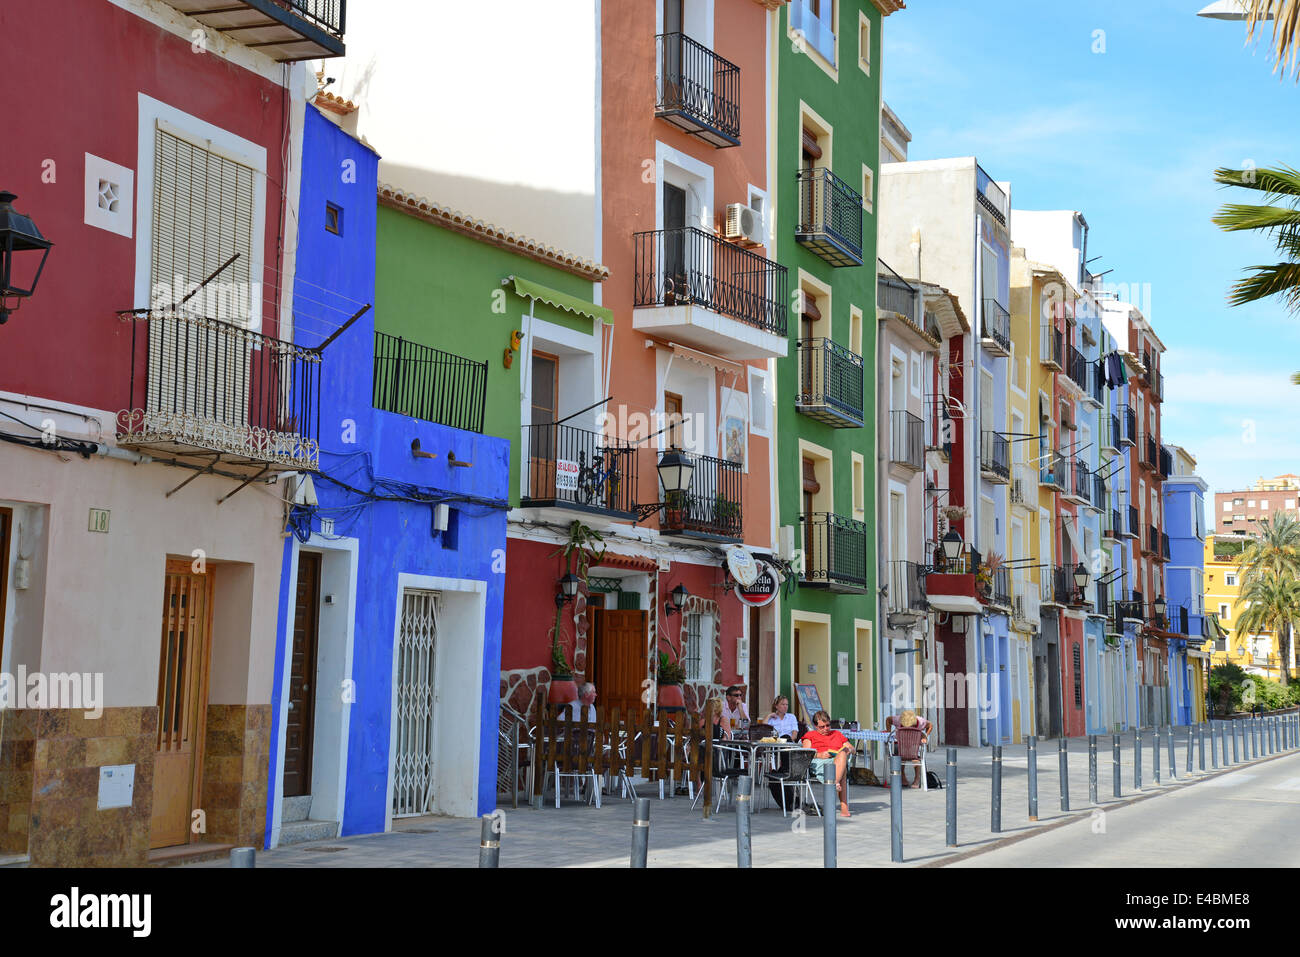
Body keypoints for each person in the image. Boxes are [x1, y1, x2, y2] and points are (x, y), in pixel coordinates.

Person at [801, 710, 852, 817]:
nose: (825, 729)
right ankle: (844, 807)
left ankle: (833, 784)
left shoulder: (837, 734)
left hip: (836, 760)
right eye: (822, 727)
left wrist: (849, 750)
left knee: (842, 755)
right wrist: (819, 755)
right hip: (819, 762)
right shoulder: (810, 735)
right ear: (815, 726)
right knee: (843, 770)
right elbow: (805, 753)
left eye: (827, 725)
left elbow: (852, 748)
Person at [885, 709, 930, 788]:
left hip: (914, 742)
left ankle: (917, 778)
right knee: (901, 754)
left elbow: (930, 726)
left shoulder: (921, 721)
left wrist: (925, 736)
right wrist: (888, 732)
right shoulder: (898, 719)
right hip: (902, 743)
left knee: (915, 757)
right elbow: (888, 720)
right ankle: (902, 776)